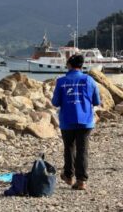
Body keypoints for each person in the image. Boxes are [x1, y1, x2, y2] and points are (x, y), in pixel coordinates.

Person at [52, 54, 101, 190]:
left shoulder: (61, 81)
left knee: (69, 148)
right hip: (85, 121)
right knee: (82, 150)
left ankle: (68, 176)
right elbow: (97, 101)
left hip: (67, 121)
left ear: (69, 65)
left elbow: (55, 102)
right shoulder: (89, 80)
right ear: (81, 65)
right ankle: (81, 181)